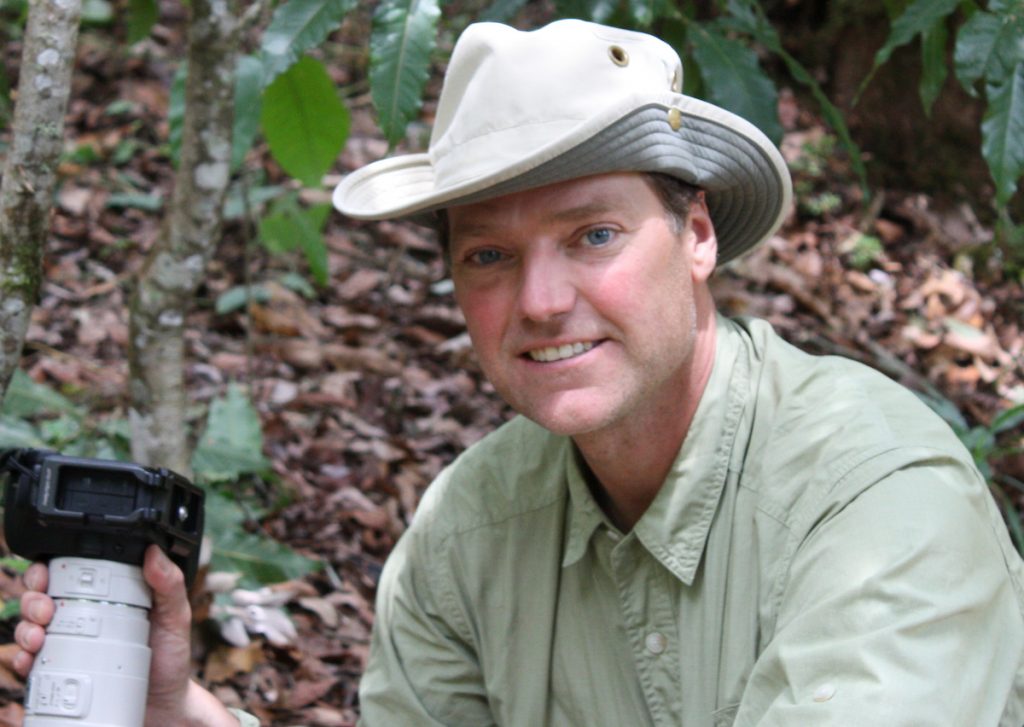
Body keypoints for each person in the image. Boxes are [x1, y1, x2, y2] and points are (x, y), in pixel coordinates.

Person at [13, 18, 1024, 726]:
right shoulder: (470, 531)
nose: (540, 299)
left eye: (592, 233)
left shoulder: (872, 498)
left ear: (698, 233)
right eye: (488, 254)